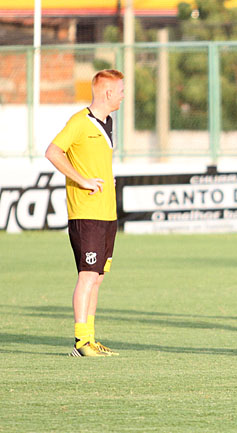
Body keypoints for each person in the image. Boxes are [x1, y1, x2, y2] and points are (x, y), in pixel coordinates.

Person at [45, 69, 124, 357]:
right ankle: (80, 342)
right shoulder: (78, 122)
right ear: (108, 93)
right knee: (87, 275)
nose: (123, 95)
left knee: (98, 277)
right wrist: (82, 180)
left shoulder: (109, 122)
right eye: (121, 90)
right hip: (86, 213)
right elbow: (53, 152)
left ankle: (90, 339)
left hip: (107, 213)